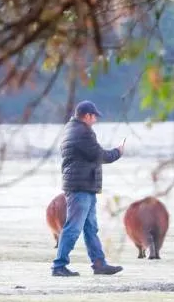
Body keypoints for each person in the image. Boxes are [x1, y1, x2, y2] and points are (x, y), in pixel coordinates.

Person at [51, 100, 127, 277]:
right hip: (80, 187)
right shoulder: (83, 133)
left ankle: (99, 263)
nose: (95, 120)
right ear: (87, 116)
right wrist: (118, 152)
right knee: (73, 228)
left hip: (83, 186)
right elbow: (99, 155)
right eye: (94, 117)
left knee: (90, 228)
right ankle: (59, 266)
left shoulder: (71, 129)